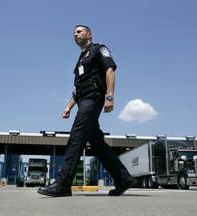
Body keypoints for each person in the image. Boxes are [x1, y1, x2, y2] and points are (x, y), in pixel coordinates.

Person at [37, 25, 137, 197]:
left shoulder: (99, 49)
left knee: (77, 136)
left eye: (79, 31)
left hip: (94, 98)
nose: (75, 34)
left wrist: (110, 97)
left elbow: (109, 70)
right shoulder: (80, 61)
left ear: (89, 34)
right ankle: (124, 179)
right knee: (98, 145)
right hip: (84, 99)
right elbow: (77, 90)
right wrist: (68, 107)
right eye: (73, 33)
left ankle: (63, 183)